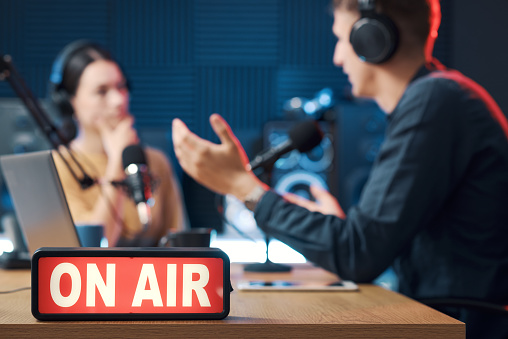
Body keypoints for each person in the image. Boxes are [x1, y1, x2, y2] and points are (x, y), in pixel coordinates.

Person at [172, 0, 508, 337]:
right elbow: (368, 243)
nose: (336, 57)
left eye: (341, 38)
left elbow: (358, 254)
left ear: (371, 37)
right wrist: (337, 230)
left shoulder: (436, 101)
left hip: (463, 326)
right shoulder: (438, 99)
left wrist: (245, 188)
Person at [49, 40, 187, 247]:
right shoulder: (59, 165)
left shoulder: (156, 161)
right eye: (102, 91)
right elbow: (90, 249)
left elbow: (179, 243)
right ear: (70, 101)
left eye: (121, 87)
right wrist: (117, 161)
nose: (118, 100)